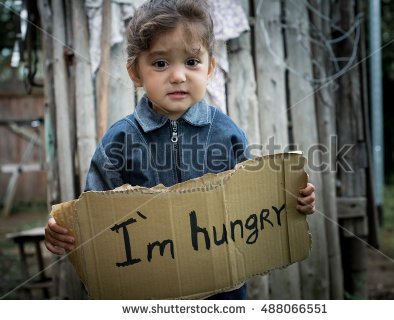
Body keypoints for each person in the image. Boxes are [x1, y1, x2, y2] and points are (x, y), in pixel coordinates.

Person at [45, 0, 316, 299]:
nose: (177, 76)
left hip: (222, 291)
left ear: (210, 67)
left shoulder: (226, 133)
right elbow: (91, 219)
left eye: (191, 62)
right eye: (160, 63)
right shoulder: (119, 141)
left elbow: (258, 202)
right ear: (136, 72)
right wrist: (65, 232)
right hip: (148, 293)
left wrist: (291, 199)